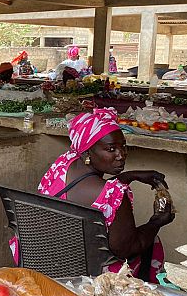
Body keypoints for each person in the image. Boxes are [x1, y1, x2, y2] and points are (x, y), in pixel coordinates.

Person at [10, 108, 175, 282]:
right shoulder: (115, 195)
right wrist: (157, 221)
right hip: (91, 278)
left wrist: (128, 176)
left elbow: (88, 187)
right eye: (111, 149)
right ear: (88, 152)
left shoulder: (62, 165)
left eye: (124, 147)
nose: (121, 155)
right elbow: (126, 249)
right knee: (151, 240)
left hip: (47, 261)